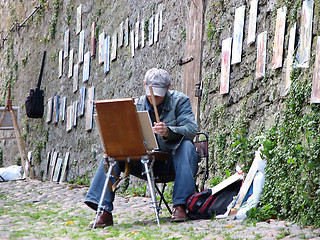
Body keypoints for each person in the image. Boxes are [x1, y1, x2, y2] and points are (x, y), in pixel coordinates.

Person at [85, 68, 199, 228]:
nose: (154, 98)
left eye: (159, 95)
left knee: (187, 145)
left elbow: (192, 129)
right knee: (114, 153)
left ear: (168, 87)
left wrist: (169, 131)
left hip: (172, 162)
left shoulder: (180, 101)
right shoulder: (135, 104)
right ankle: (103, 210)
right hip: (144, 163)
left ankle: (181, 205)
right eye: (151, 93)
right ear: (144, 84)